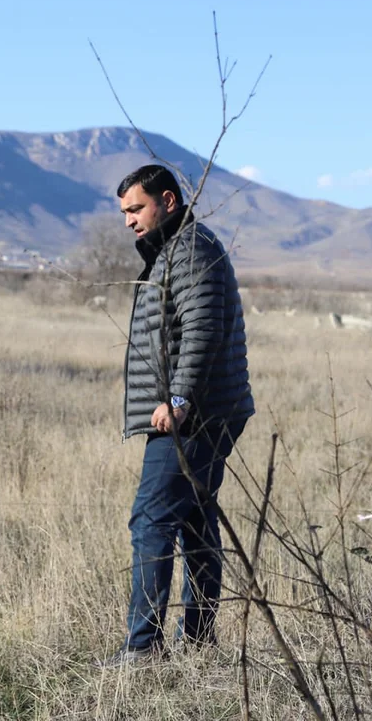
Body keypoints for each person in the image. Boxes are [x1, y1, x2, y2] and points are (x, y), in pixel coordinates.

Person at [104, 164, 254, 664]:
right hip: (204, 410)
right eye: (124, 212)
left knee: (151, 520)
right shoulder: (174, 248)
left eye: (136, 209)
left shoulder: (190, 249)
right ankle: (198, 641)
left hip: (198, 414)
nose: (129, 220)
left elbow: (203, 327)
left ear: (167, 201)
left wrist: (181, 398)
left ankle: (143, 648)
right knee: (194, 520)